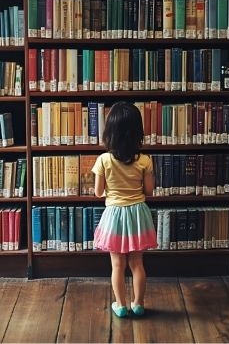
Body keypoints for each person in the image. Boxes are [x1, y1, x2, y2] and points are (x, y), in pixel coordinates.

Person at [92, 101, 158, 318]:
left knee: (117, 265)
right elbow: (148, 191)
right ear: (137, 132)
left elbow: (98, 192)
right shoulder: (145, 161)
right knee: (137, 263)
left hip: (114, 216)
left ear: (109, 132)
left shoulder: (103, 160)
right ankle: (138, 304)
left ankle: (120, 305)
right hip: (138, 214)